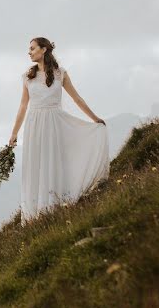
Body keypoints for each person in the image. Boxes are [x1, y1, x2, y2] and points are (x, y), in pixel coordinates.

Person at [8, 37, 109, 224]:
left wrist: (94, 119)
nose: (29, 52)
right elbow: (23, 106)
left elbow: (77, 98)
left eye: (32, 48)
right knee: (36, 164)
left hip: (54, 123)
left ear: (44, 49)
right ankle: (35, 215)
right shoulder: (27, 77)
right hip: (34, 125)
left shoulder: (60, 74)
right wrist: (14, 133)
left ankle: (54, 207)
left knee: (53, 162)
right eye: (28, 49)